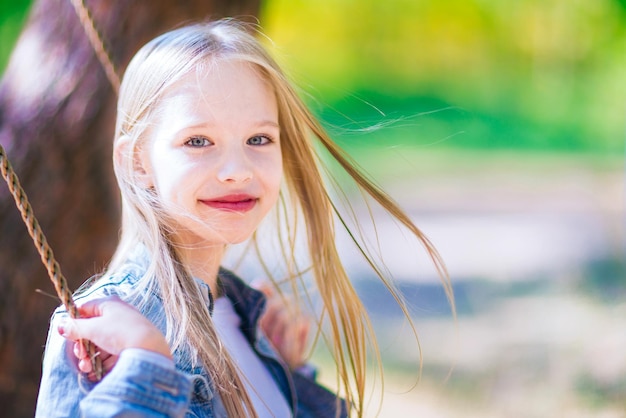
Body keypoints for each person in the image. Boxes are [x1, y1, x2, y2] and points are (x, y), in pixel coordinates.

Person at [35, 19, 453, 417]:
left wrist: (287, 379)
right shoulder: (101, 329)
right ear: (137, 162)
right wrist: (146, 365)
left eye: (259, 138)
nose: (237, 169)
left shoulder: (242, 318)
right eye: (198, 141)